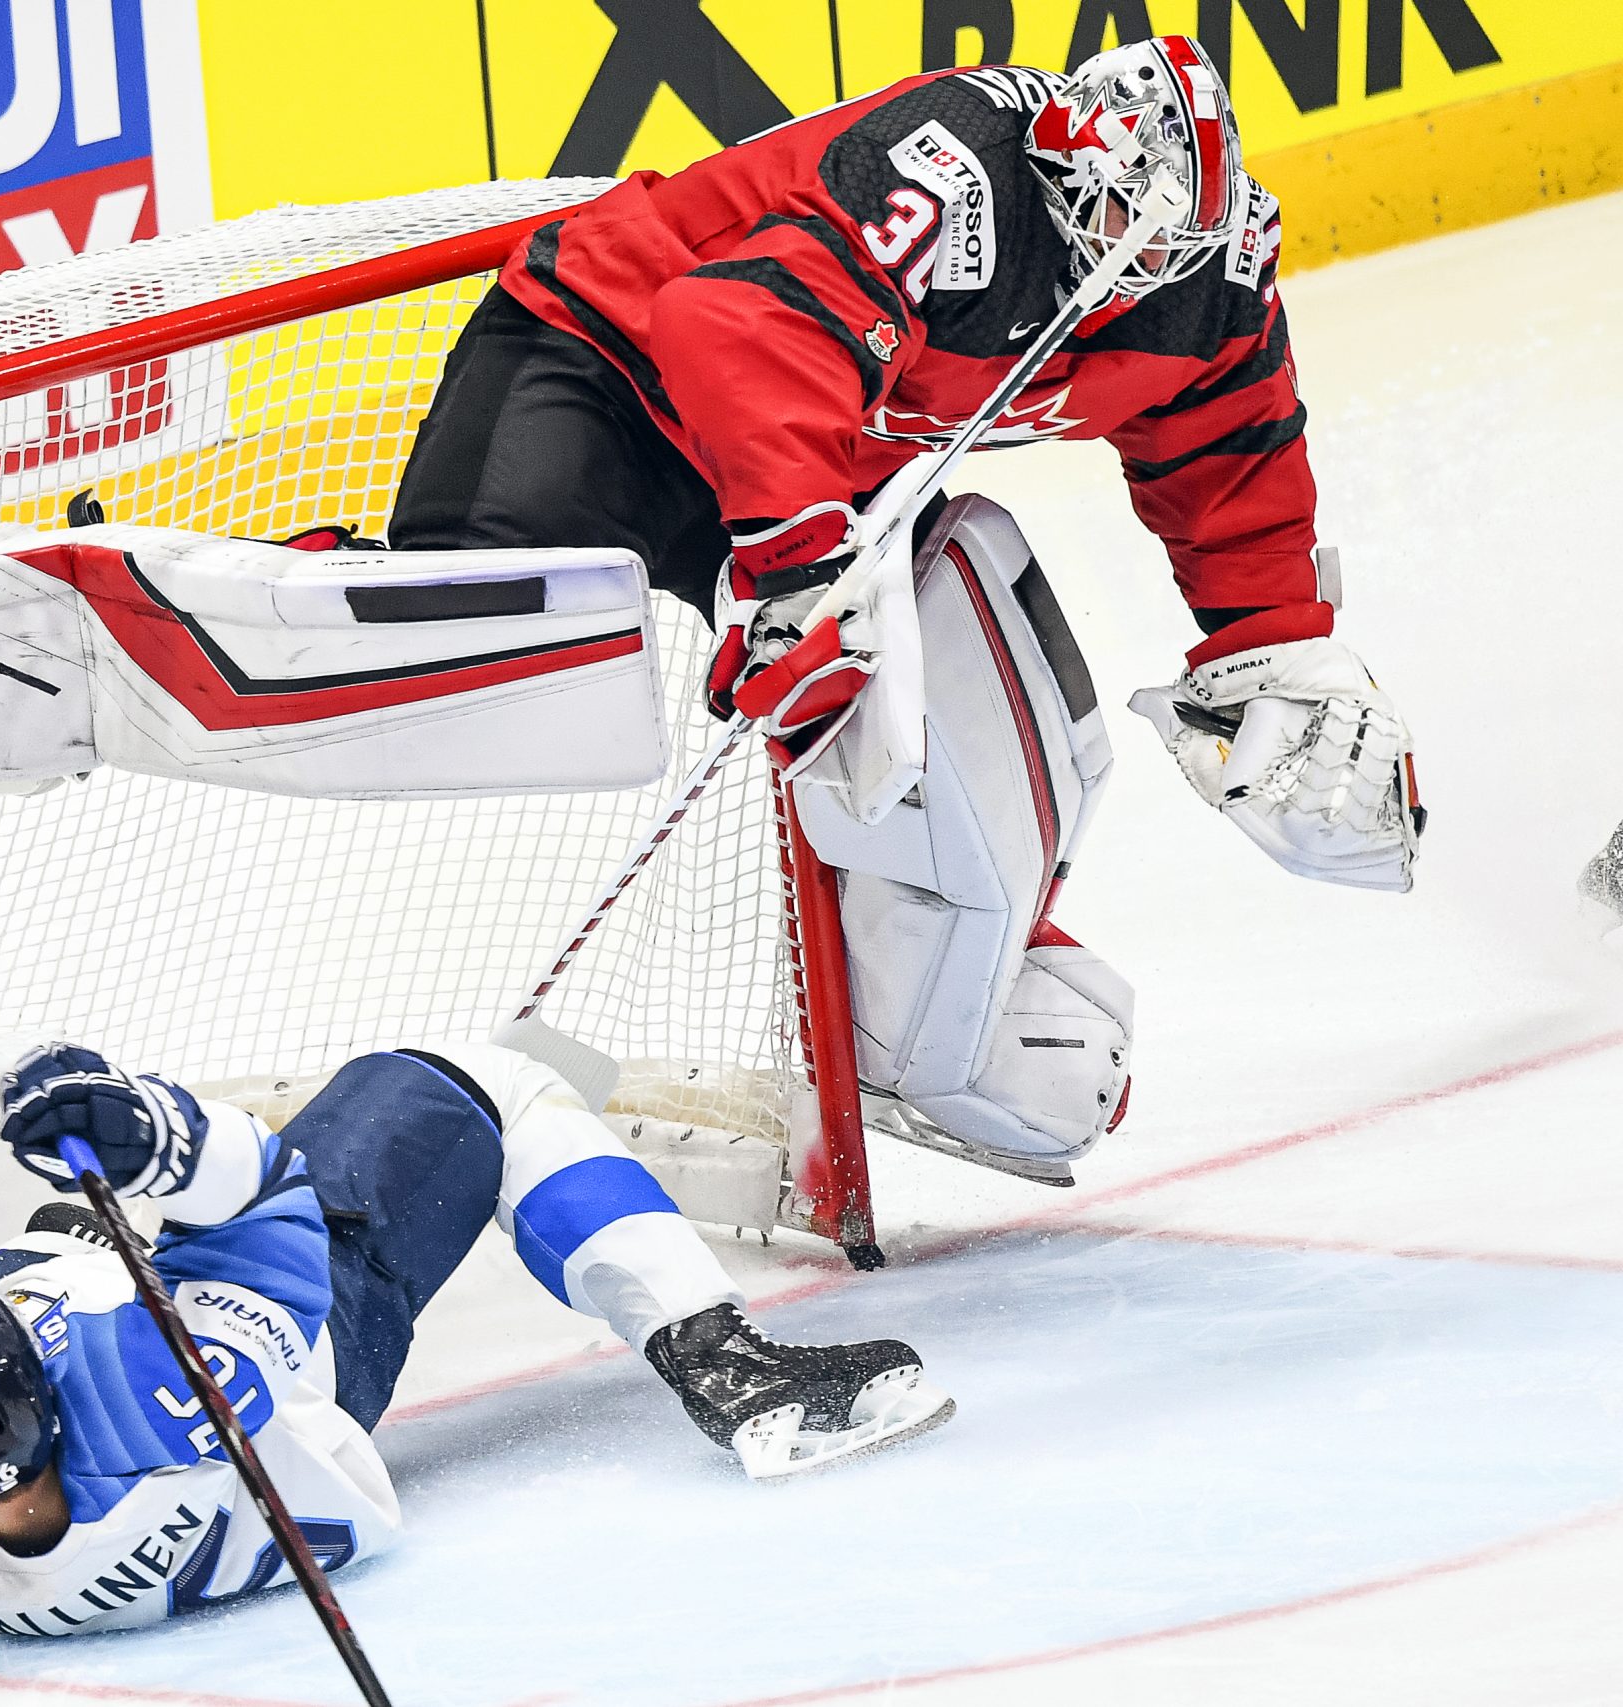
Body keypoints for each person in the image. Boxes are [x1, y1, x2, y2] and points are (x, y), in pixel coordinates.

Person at [387, 35, 1421, 1180]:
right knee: (486, 645)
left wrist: (1270, 644)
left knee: (934, 730)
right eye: (1110, 242)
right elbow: (730, 323)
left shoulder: (1213, 279)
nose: (1131, 279)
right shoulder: (954, 169)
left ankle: (926, 998)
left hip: (826, 465)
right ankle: (297, 579)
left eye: (1165, 256)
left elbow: (1228, 452)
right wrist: (793, 566)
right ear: (1059, 168)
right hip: (612, 363)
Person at [0, 1041, 951, 1634]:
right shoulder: (167, 1394)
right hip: (315, 1367)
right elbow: (261, 1195)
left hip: (237, 1462)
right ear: (47, 1384)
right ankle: (730, 1369)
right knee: (483, 1087)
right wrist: (155, 1131)